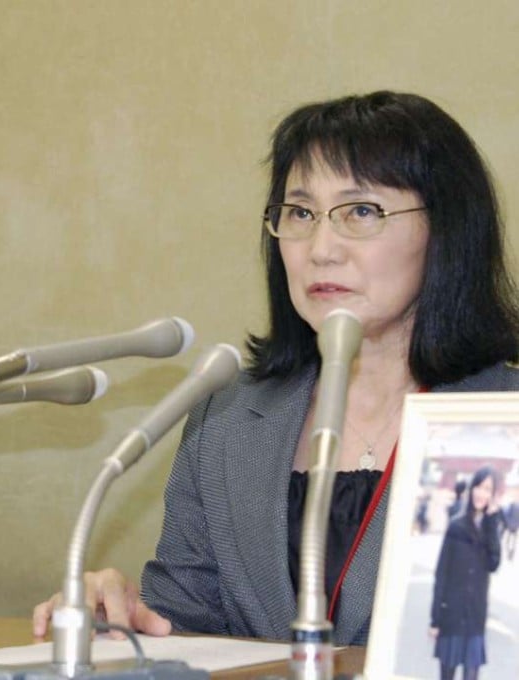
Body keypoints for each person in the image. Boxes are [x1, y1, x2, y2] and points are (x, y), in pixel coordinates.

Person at [33, 91, 519, 646]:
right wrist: (118, 618)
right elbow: (188, 626)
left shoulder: (504, 419)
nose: (321, 249)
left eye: (361, 211)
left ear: (447, 230)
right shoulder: (227, 418)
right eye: (301, 213)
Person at [430, 466, 502, 680]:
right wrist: (435, 620)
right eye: (479, 487)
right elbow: (441, 574)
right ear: (472, 489)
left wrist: (492, 523)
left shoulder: (489, 529)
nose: (482, 494)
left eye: (488, 489)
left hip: (475, 618)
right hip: (451, 616)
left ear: (493, 495)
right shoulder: (456, 526)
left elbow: (493, 564)